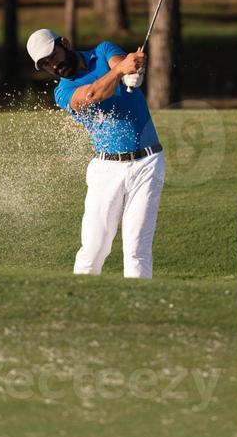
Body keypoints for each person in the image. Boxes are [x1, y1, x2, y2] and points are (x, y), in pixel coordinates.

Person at [27, 28, 165, 279]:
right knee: (94, 249)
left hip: (148, 163)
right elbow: (93, 94)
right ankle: (80, 306)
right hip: (106, 169)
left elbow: (121, 63)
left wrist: (133, 70)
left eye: (52, 56)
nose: (53, 66)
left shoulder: (103, 51)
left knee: (137, 250)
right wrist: (120, 72)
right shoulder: (62, 92)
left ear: (65, 43)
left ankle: (137, 311)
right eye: (45, 64)